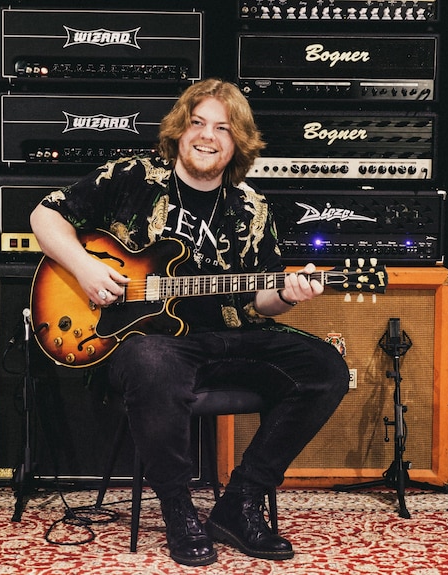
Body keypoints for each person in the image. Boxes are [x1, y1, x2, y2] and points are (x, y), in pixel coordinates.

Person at [29, 78, 349, 566]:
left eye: (222, 128)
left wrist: (287, 294)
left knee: (326, 368)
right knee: (154, 362)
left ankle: (240, 503)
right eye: (198, 123)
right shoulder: (133, 177)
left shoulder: (253, 207)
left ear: (237, 142)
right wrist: (86, 267)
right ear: (180, 130)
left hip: (228, 339)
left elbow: (260, 303)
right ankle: (177, 508)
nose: (207, 136)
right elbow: (44, 216)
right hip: (139, 343)